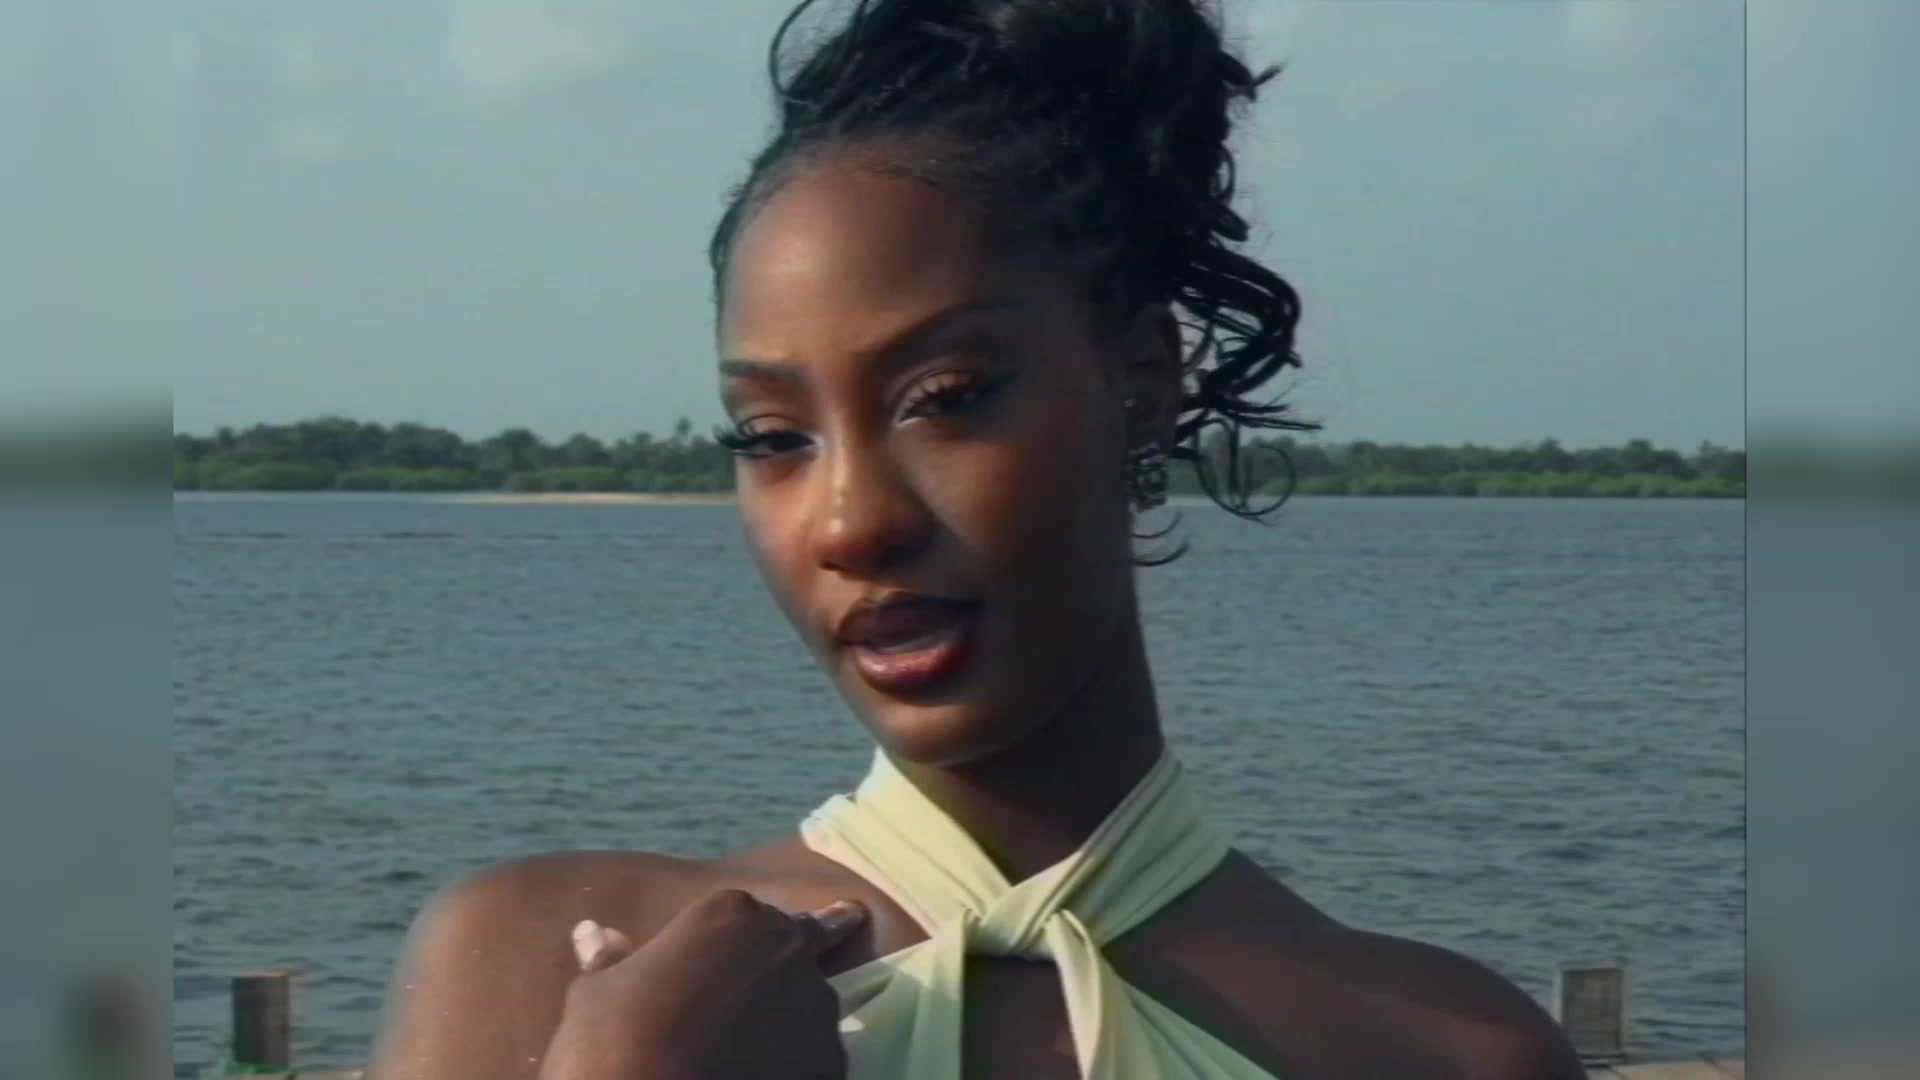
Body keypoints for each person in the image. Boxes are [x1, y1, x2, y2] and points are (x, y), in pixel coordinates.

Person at [368, 0, 1586, 1077]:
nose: (853, 521)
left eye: (945, 398)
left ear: (1143, 380)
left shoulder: (1439, 1049)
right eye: (773, 437)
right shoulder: (545, 960)